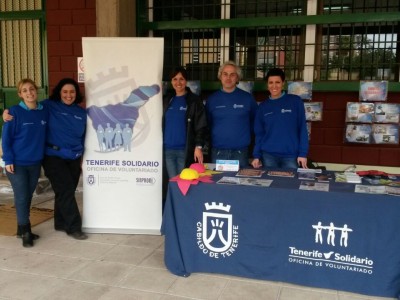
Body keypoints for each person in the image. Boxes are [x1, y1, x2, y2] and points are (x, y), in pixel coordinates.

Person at [3, 78, 88, 240]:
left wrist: (83, 156)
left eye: (72, 92)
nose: (68, 95)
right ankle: (74, 226)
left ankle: (61, 222)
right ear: (59, 93)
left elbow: (84, 136)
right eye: (65, 92)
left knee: (66, 191)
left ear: (76, 94)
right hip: (52, 156)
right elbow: (27, 105)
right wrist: (6, 112)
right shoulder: (50, 105)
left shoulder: (81, 112)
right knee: (64, 190)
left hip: (73, 157)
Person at [1, 79, 48, 247]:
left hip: (35, 163)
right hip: (17, 164)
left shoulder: (43, 111)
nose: (29, 93)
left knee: (27, 195)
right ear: (20, 94)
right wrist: (8, 160)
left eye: (32, 89)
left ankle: (21, 228)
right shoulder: (14, 112)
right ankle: (26, 230)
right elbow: (6, 139)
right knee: (21, 196)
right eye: (25, 90)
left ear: (36, 91)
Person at [251, 68, 309, 169]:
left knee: (290, 184)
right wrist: (256, 156)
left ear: (283, 83)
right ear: (267, 85)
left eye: (277, 82)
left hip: (291, 156)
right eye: (271, 83)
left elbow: (302, 129)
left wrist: (303, 153)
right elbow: (259, 134)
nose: (274, 86)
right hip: (268, 156)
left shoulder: (295, 102)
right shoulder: (263, 107)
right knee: (270, 184)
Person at [205, 61, 258, 168]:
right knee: (218, 184)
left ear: (237, 78)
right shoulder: (212, 100)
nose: (228, 78)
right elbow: (208, 124)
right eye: (225, 74)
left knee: (240, 184)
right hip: (218, 152)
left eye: (232, 74)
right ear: (220, 76)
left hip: (241, 152)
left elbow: (255, 124)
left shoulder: (248, 98)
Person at [162, 66, 207, 178]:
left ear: (186, 81)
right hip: (168, 151)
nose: (178, 82)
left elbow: (201, 125)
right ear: (171, 81)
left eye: (181, 79)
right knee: (173, 183)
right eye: (175, 79)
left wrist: (198, 146)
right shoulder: (167, 100)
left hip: (185, 151)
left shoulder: (194, 101)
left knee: (185, 183)